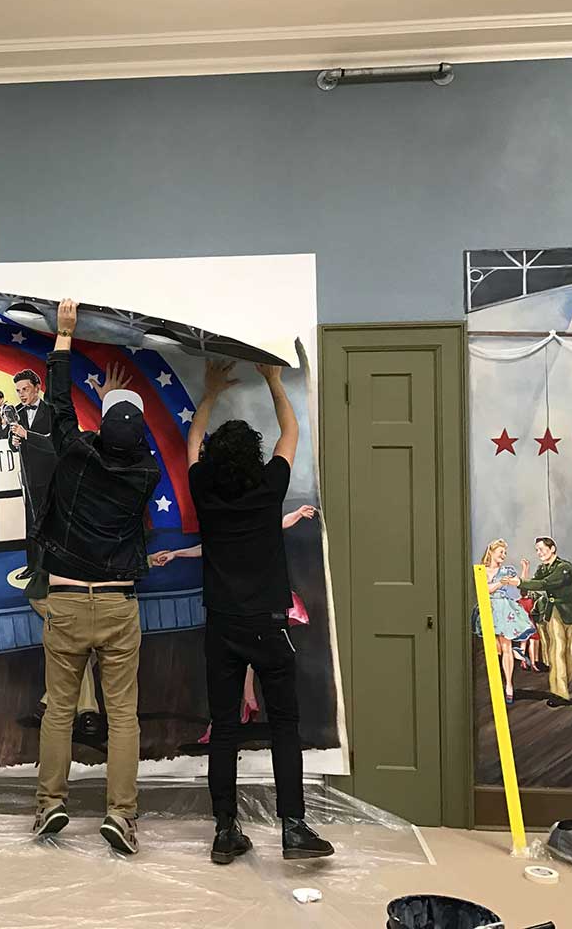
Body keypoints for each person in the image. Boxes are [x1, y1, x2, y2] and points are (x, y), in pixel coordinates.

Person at [187, 359, 333, 864]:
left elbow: (192, 443)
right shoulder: (270, 487)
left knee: (224, 728)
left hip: (222, 626)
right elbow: (290, 431)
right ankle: (294, 828)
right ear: (255, 456)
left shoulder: (203, 487)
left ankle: (226, 830)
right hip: (270, 626)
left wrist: (207, 394)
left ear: (212, 459)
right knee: (284, 727)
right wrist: (273, 380)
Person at [31, 300, 159, 856]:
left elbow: (59, 406)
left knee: (59, 709)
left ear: (99, 428)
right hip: (117, 606)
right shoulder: (145, 473)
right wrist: (119, 406)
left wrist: (64, 336)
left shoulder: (76, 455)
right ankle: (121, 817)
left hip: (64, 602)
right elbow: (126, 441)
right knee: (123, 715)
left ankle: (50, 805)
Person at [150, 505, 318, 733]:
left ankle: (244, 708)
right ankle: (246, 705)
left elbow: (281, 523)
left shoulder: (251, 529)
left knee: (245, 662)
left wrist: (297, 515)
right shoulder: (235, 533)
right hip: (242, 608)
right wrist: (176, 554)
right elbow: (205, 548)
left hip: (252, 607)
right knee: (242, 662)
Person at [517, 537, 572, 706]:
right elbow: (529, 586)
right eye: (537, 550)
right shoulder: (542, 568)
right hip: (553, 611)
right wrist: (524, 572)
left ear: (552, 549)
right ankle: (560, 692)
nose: (539, 553)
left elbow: (545, 583)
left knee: (570, 652)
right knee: (557, 649)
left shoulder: (564, 567)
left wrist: (520, 582)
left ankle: (562, 685)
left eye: (541, 549)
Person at [473, 540, 532, 704]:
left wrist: (525, 570)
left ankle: (509, 686)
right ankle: (516, 652)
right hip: (488, 608)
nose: (503, 556)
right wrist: (501, 582)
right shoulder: (481, 570)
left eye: (505, 553)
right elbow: (484, 589)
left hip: (504, 609)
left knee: (505, 646)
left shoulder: (507, 570)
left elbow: (521, 585)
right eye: (500, 552)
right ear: (491, 552)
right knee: (495, 649)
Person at [12, 367, 55, 580]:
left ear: (37, 388)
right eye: (18, 390)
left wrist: (26, 434)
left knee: (49, 522)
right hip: (29, 477)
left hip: (49, 477)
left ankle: (50, 568)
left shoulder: (52, 410)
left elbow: (52, 444)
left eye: (25, 389)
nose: (21, 394)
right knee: (31, 522)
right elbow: (16, 445)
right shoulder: (18, 413)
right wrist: (15, 441)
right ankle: (33, 566)